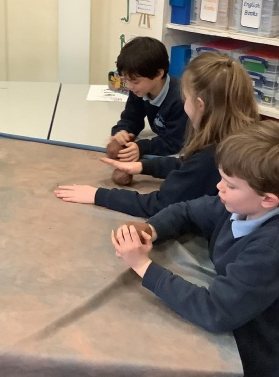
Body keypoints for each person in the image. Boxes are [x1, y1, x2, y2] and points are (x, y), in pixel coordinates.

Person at [111, 120, 279, 376]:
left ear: (268, 200)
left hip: (255, 353)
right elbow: (187, 210)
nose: (219, 187)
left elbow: (216, 311)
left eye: (230, 185)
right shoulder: (240, 206)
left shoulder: (269, 248)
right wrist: (151, 229)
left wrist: (143, 266)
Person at [55, 52, 259, 218]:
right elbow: (187, 166)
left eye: (186, 98)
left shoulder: (212, 156)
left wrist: (98, 195)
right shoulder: (234, 137)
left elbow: (160, 204)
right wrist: (143, 166)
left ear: (200, 105)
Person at [109, 37, 188, 162]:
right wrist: (122, 131)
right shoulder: (140, 90)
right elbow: (131, 118)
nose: (129, 86)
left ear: (158, 74)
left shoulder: (179, 99)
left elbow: (173, 142)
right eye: (126, 80)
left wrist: (142, 147)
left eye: (135, 81)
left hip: (187, 152)